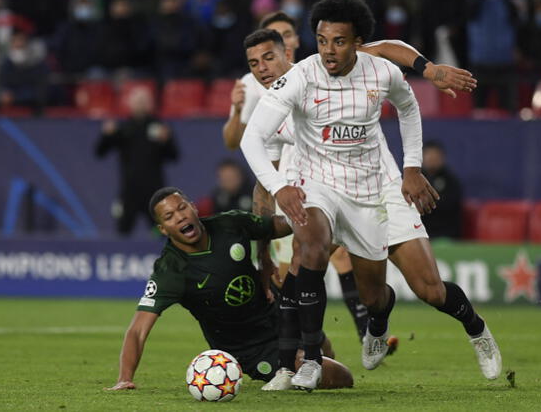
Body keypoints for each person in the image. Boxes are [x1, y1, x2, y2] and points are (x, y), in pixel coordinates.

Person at [241, 0, 501, 391]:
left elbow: (408, 107)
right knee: (308, 246)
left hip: (378, 189)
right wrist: (280, 187)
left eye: (339, 41)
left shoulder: (379, 71)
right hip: (322, 187)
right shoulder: (298, 79)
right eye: (322, 40)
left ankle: (474, 329)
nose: (329, 50)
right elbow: (249, 140)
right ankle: (305, 361)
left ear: (357, 42)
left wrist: (411, 167)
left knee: (416, 291)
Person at [104, 187, 353, 390]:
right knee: (341, 377)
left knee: (322, 346)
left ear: (192, 207)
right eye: (169, 217)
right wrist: (124, 378)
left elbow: (276, 225)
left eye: (181, 208)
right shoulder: (171, 271)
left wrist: (313, 213)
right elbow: (137, 330)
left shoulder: (230, 224)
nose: (179, 217)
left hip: (281, 312)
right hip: (252, 349)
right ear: (163, 229)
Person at [95, 88, 179, 235]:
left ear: (150, 104)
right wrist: (106, 135)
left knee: (160, 232)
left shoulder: (160, 127)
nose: (141, 105)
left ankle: (162, 257)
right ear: (130, 104)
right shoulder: (124, 128)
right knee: (123, 231)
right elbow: (100, 152)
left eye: (144, 101)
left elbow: (174, 156)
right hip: (129, 191)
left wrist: (166, 141)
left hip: (154, 191)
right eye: (138, 101)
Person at [421, 141, 463, 239]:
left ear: (442, 158)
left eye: (435, 156)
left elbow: (451, 205)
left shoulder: (451, 181)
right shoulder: (414, 181)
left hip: (446, 234)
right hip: (420, 233)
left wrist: (426, 202)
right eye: (428, 156)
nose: (432, 159)